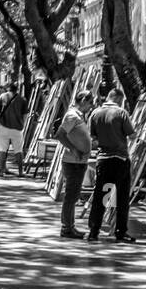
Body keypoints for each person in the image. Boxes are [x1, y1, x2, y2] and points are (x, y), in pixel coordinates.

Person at [86, 87, 137, 243]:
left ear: (108, 97)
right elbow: (132, 135)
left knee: (101, 197)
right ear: (119, 99)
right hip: (120, 160)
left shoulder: (95, 113)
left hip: (103, 160)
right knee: (121, 198)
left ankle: (93, 232)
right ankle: (120, 232)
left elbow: (92, 138)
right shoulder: (122, 113)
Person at [56, 89, 95, 239]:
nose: (91, 106)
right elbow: (60, 134)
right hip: (73, 162)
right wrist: (74, 149)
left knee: (73, 195)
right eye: (90, 103)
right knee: (71, 196)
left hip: (78, 162)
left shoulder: (79, 116)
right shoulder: (72, 115)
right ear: (84, 100)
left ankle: (70, 226)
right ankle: (67, 228)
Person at [0, 81, 27, 176]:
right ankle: (21, 172)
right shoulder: (22, 99)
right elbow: (25, 115)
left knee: (3, 150)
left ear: (8, 88)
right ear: (17, 90)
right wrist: (22, 125)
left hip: (3, 127)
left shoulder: (2, 97)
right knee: (18, 150)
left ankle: (1, 172)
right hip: (17, 129)